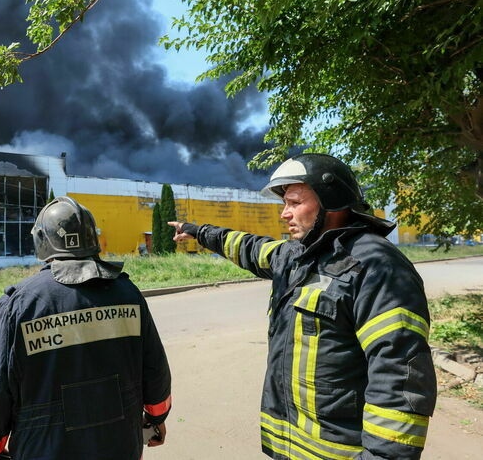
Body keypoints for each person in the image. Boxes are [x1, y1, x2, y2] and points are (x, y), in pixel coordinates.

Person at [169, 153, 436, 460]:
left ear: (331, 202)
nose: (285, 214)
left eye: (295, 203)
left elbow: (400, 375)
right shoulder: (296, 255)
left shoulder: (376, 266)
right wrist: (199, 232)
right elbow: (248, 246)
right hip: (289, 447)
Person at [0, 196, 172, 460]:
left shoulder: (17, 306)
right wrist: (156, 418)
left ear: (42, 240)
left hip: (45, 450)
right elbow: (155, 370)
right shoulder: (129, 294)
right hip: (121, 445)